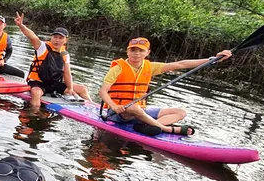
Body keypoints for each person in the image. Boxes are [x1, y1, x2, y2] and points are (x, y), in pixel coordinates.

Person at [99, 37, 232, 136]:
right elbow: (103, 91)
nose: (136, 53)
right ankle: (166, 129)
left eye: (141, 50)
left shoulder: (150, 67)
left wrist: (211, 60)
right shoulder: (118, 68)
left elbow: (181, 64)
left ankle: (148, 126)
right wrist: (114, 106)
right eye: (133, 50)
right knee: (135, 108)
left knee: (180, 112)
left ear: (147, 53)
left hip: (140, 110)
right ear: (128, 52)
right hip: (118, 113)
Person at [14, 13, 91, 107]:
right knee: (36, 93)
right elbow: (32, 36)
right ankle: (34, 114)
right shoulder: (42, 47)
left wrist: (70, 89)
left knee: (82, 89)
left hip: (54, 84)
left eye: (60, 38)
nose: (57, 40)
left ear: (65, 40)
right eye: (55, 37)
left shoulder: (65, 54)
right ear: (51, 37)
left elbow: (67, 74)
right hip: (38, 83)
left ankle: (93, 109)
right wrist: (21, 26)